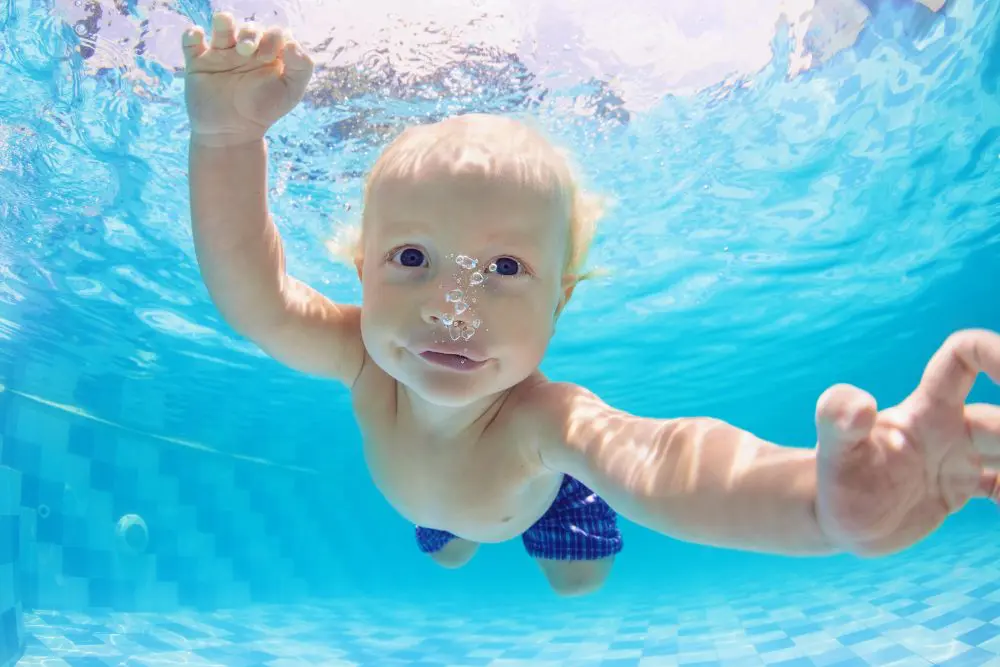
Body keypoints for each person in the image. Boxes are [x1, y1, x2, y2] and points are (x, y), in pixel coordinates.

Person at [181, 11, 1000, 596]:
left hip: (553, 496)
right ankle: (466, 527)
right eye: (411, 259)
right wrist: (225, 139)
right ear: (360, 272)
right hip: (440, 506)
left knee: (576, 583)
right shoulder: (362, 350)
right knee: (449, 548)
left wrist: (816, 507)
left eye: (504, 266)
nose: (452, 307)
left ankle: (531, 533)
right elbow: (255, 297)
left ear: (560, 301)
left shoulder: (548, 420)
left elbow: (666, 460)